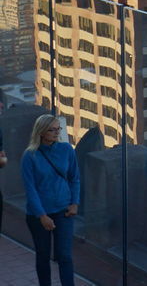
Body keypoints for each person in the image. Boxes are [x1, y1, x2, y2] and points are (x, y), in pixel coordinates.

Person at [21, 114, 79, 286]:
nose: (56, 132)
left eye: (58, 129)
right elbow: (30, 189)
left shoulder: (66, 149)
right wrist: (42, 216)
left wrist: (75, 203)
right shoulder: (30, 156)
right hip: (39, 215)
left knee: (65, 256)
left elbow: (74, 178)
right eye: (52, 129)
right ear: (41, 132)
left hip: (64, 211)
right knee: (43, 256)